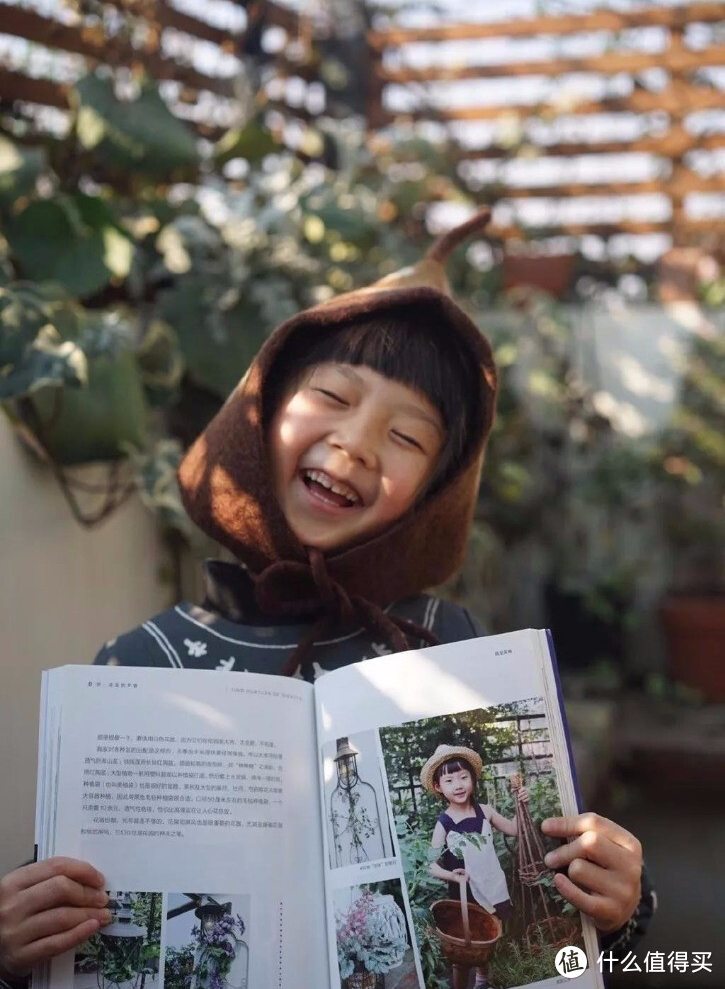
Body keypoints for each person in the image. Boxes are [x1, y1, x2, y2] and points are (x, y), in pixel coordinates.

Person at [0, 209, 653, 988]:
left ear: (436, 493)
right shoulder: (142, 665)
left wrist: (619, 913)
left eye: (407, 438)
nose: (356, 443)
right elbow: (69, 931)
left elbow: (565, 944)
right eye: (332, 396)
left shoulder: (448, 650)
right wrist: (15, 949)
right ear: (263, 407)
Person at [423, 745, 526, 989]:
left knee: (486, 939)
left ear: (473, 778)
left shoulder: (485, 812)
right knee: (462, 950)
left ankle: (482, 981)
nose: (458, 785)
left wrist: (521, 805)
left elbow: (514, 830)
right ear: (439, 787)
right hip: (463, 894)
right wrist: (452, 876)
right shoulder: (444, 823)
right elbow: (429, 866)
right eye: (449, 780)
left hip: (490, 885)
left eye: (463, 777)